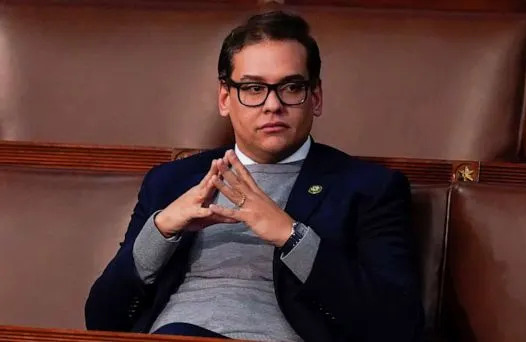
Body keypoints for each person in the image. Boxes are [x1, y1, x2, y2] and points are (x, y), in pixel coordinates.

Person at [85, 10, 423, 342]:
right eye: (253, 88)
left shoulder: (368, 188)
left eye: (291, 87)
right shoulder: (170, 182)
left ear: (315, 98)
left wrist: (292, 237)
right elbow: (101, 319)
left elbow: (398, 325)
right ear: (224, 98)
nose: (272, 105)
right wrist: (159, 232)